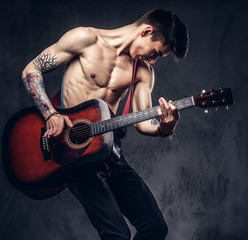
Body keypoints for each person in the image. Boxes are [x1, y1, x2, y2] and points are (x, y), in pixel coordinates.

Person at [21, 9, 189, 240]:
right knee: (116, 234)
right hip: (75, 156)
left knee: (155, 228)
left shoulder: (143, 72)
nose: (153, 60)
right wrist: (50, 114)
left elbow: (142, 122)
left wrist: (163, 128)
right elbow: (31, 70)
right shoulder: (85, 39)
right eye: (156, 53)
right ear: (146, 31)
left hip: (109, 153)